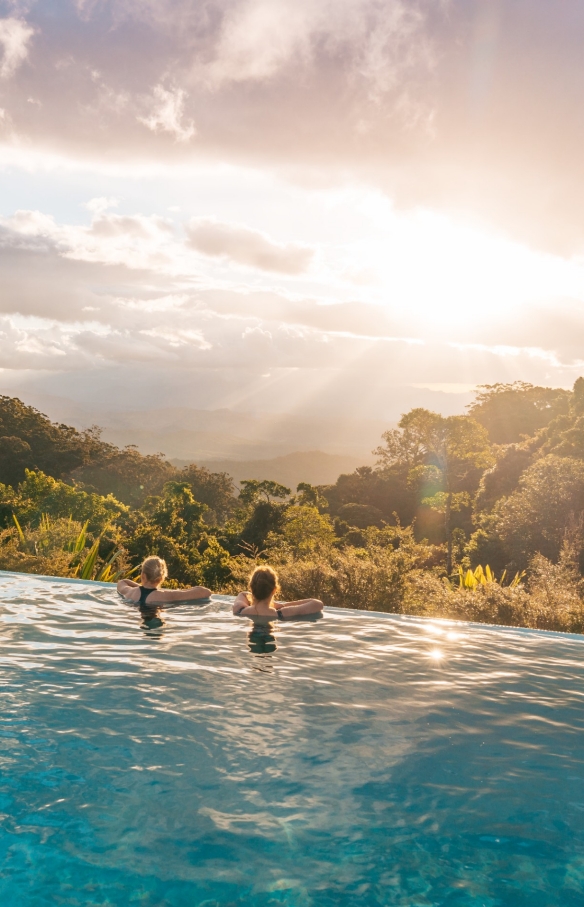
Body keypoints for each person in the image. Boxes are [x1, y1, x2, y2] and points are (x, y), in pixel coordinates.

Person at [232, 565, 323, 620]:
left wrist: (257, 597)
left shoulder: (239, 610)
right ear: (274, 590)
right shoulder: (282, 613)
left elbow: (243, 594)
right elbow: (317, 604)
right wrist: (282, 605)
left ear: (251, 588)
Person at [117, 555, 212, 606]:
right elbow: (206, 592)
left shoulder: (130, 592)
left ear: (143, 575)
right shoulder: (166, 596)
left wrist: (142, 589)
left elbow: (122, 582)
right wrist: (180, 592)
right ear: (162, 577)